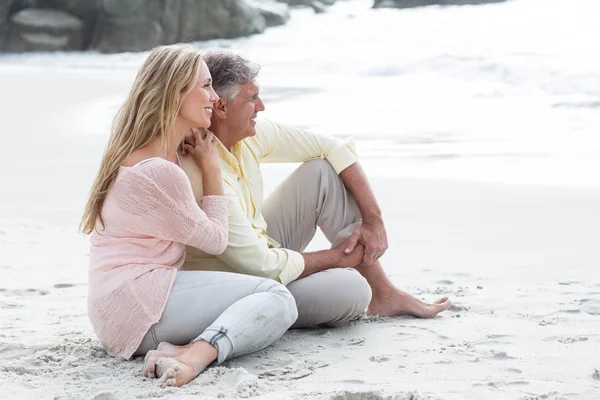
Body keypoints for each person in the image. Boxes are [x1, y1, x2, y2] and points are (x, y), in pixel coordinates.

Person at [180, 51, 451, 328]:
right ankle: (274, 311)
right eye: (251, 99)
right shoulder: (201, 167)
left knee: (321, 171)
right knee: (352, 290)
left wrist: (374, 220)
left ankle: (385, 294)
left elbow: (333, 147)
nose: (261, 106)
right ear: (222, 108)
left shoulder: (247, 136)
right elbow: (260, 266)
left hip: (261, 250)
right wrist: (339, 259)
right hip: (236, 283)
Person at [80, 44, 298, 389]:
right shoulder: (158, 171)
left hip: (126, 306)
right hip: (138, 306)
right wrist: (212, 168)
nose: (214, 97)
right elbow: (215, 239)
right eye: (205, 86)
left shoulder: (150, 152)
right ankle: (193, 358)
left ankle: (176, 348)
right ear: (175, 94)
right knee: (277, 299)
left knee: (270, 299)